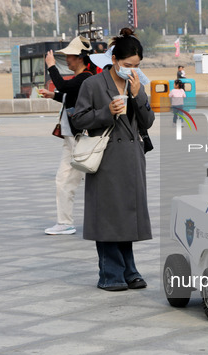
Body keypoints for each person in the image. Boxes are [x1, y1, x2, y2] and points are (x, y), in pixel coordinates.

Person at [72, 28, 155, 291]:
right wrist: (106, 111)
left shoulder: (136, 82)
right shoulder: (93, 84)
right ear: (115, 60)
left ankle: (129, 269)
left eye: (137, 65)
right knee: (109, 216)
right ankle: (110, 273)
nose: (132, 69)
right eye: (128, 64)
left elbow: (148, 121)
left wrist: (139, 94)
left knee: (126, 216)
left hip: (132, 158)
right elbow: (78, 119)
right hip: (106, 159)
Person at [38, 36, 96, 235]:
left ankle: (100, 220)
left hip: (82, 138)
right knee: (63, 179)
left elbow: (64, 87)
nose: (67, 60)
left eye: (69, 56)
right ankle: (64, 222)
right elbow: (68, 94)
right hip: (71, 136)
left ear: (80, 57)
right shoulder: (81, 79)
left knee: (86, 180)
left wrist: (51, 66)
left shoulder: (86, 78)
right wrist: (52, 95)